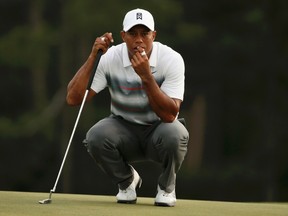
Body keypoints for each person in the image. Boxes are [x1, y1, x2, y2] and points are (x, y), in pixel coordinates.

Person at [66, 8, 189, 207]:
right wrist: (93, 58)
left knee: (176, 133)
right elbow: (73, 99)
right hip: (123, 130)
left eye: (145, 33)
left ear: (154, 35)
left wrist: (147, 77)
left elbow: (169, 114)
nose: (139, 40)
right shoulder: (110, 57)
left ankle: (167, 188)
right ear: (123, 36)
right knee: (95, 137)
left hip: (159, 130)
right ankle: (127, 181)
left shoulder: (171, 59)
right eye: (132, 34)